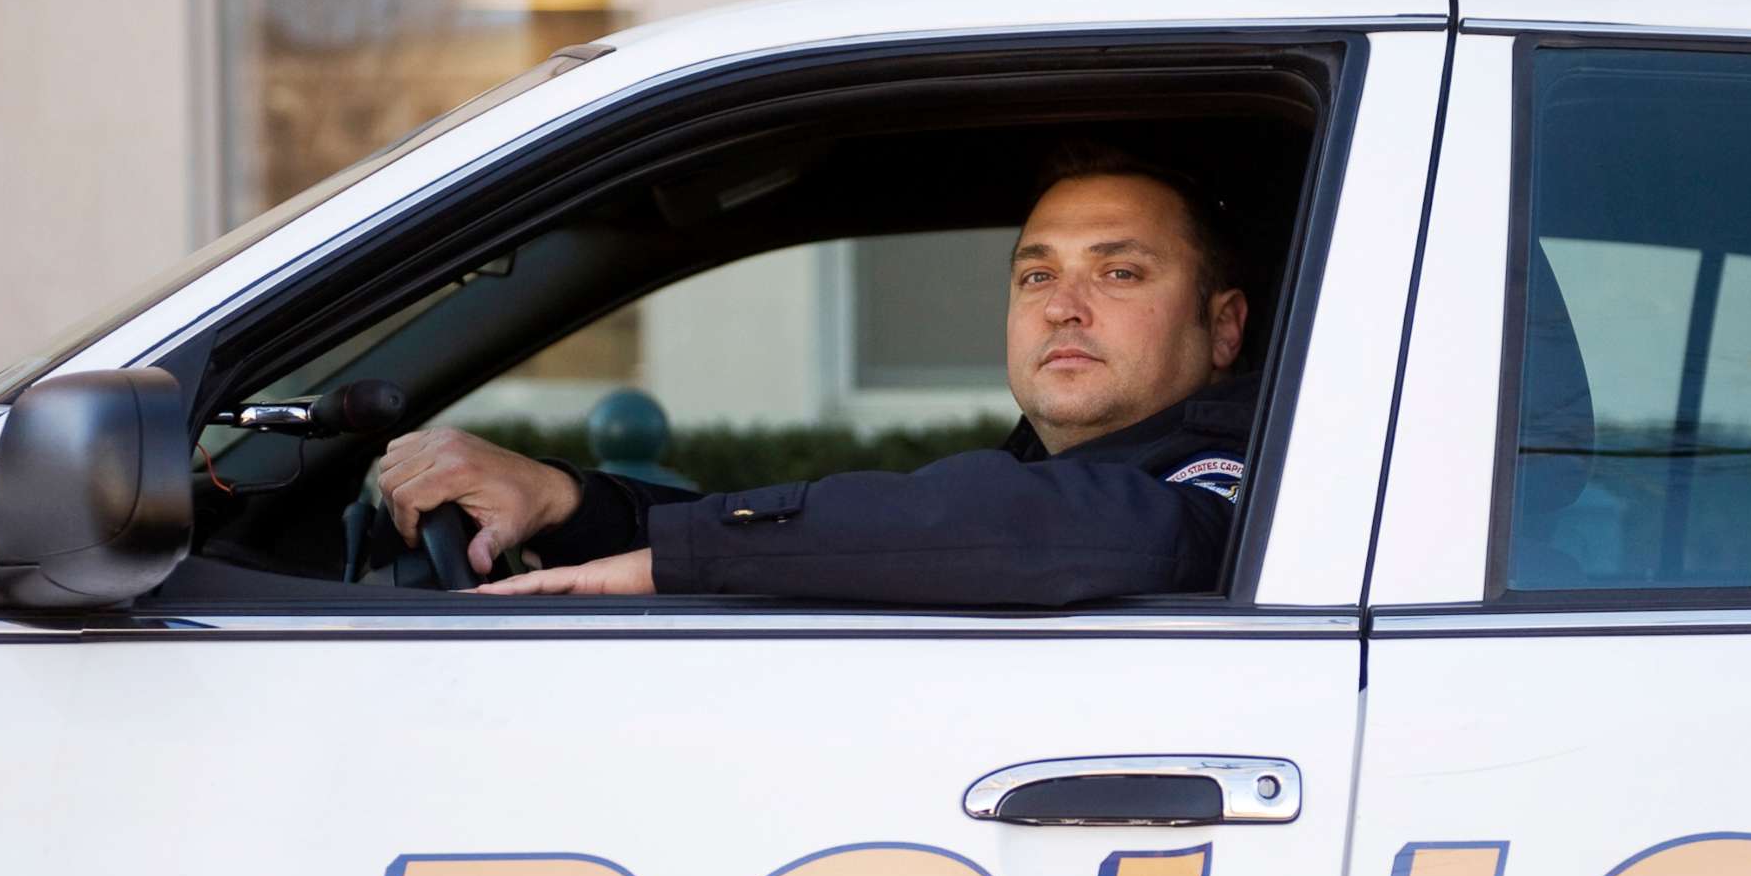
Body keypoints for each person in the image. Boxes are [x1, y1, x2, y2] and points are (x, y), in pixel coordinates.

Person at [373, 149, 1257, 606]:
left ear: (1222, 328)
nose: (1063, 306)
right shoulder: (1034, 473)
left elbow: (1025, 528)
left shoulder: (1232, 485)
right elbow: (869, 522)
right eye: (1036, 274)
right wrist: (566, 501)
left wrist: (690, 559)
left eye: (1119, 272)